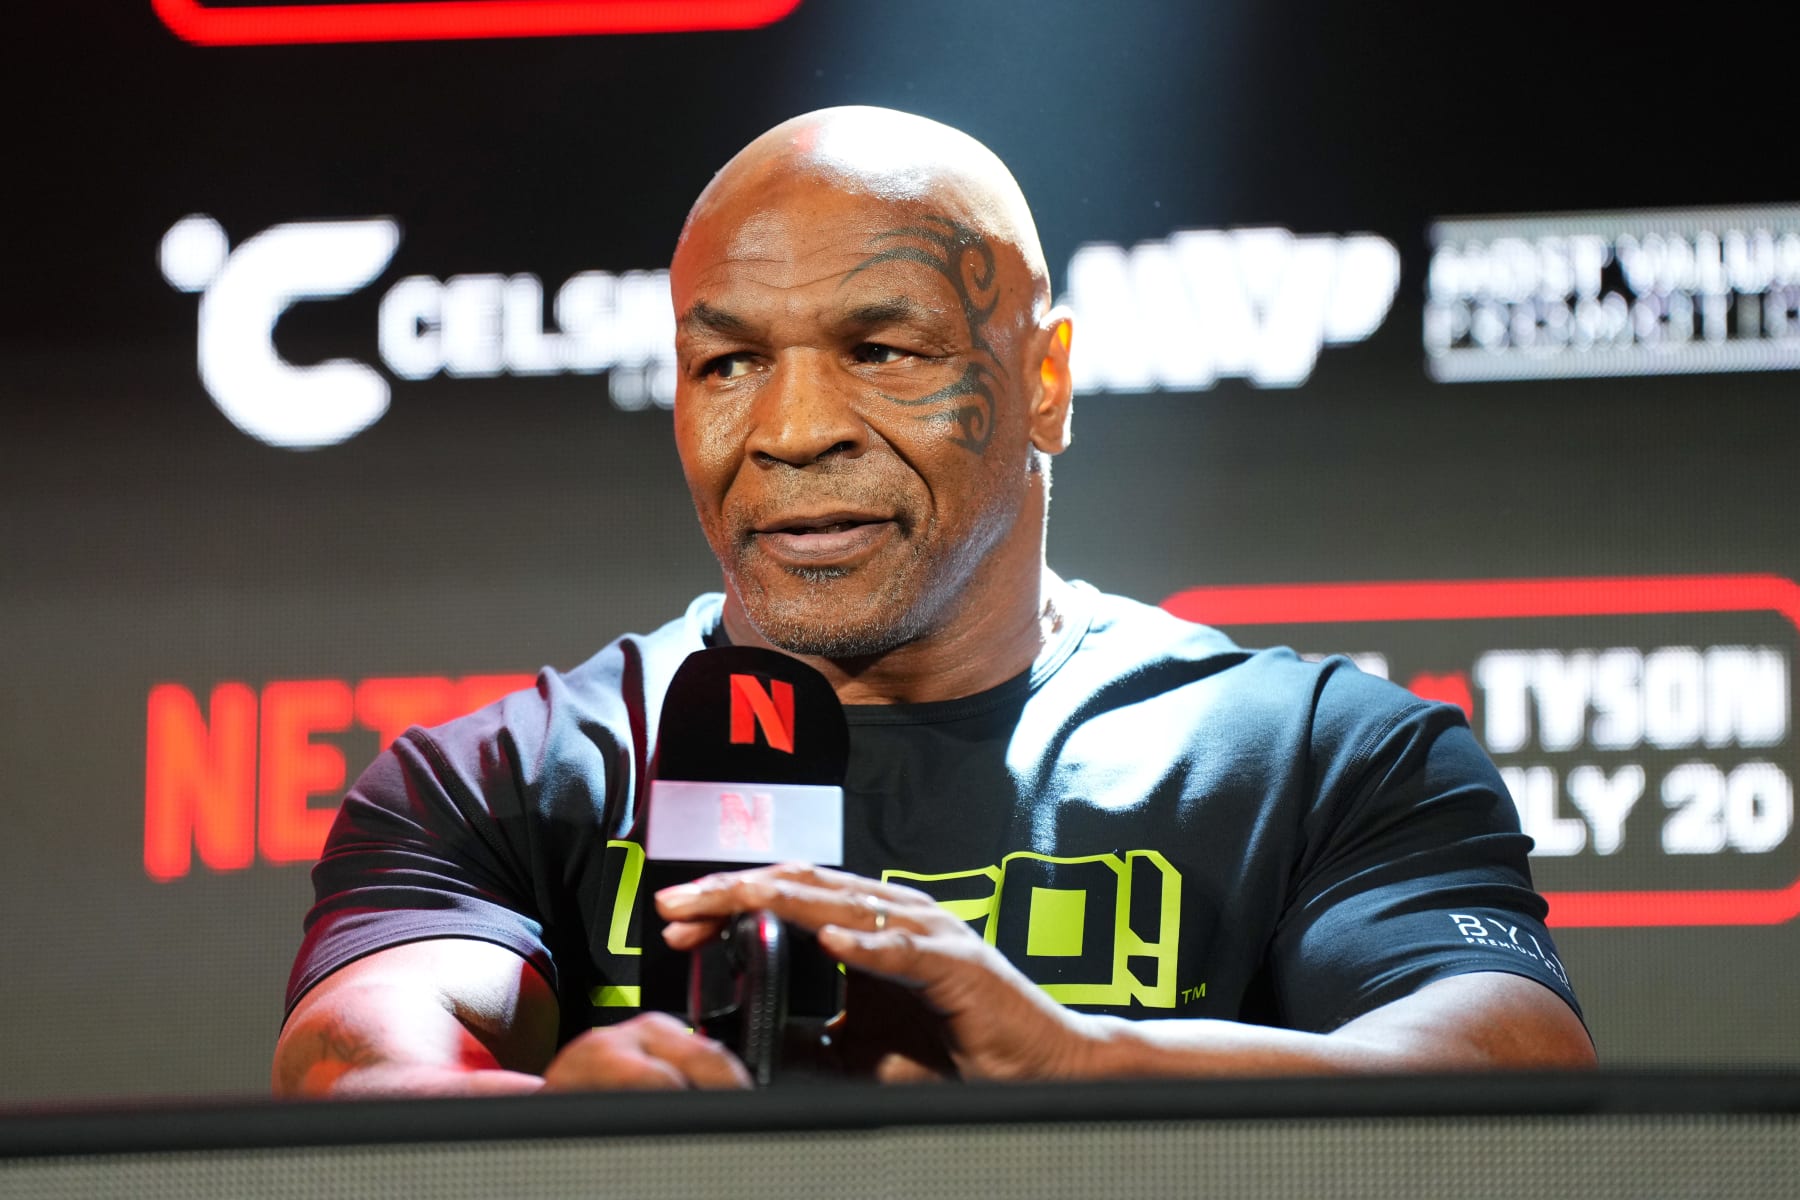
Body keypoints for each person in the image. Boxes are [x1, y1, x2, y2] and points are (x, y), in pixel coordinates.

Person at [272, 106, 1595, 1096]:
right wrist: (557, 1141)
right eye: (728, 363)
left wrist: (1082, 1063)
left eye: (882, 350)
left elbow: (1512, 1066)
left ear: (1046, 383)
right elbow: (352, 1061)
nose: (792, 430)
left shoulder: (1323, 758)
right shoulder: (499, 781)